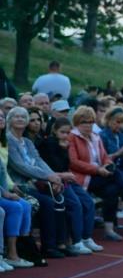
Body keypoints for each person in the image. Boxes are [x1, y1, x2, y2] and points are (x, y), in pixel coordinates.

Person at [67, 107, 123, 242]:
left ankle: (109, 230)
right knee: (118, 174)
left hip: (99, 175)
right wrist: (98, 169)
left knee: (112, 189)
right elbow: (74, 162)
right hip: (82, 178)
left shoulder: (95, 137)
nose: (88, 125)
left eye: (91, 122)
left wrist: (108, 165)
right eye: (84, 122)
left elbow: (104, 157)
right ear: (77, 122)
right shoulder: (72, 137)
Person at [6, 107, 71, 257]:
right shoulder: (8, 140)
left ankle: (59, 243)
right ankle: (47, 247)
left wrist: (53, 176)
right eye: (16, 116)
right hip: (18, 185)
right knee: (47, 203)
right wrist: (48, 177)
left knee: (60, 198)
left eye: (23, 116)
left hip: (33, 183)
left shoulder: (28, 142)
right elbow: (19, 166)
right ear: (9, 120)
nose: (20, 119)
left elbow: (39, 161)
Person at [38, 117, 101, 255]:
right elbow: (54, 166)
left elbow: (67, 165)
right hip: (56, 179)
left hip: (67, 179)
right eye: (62, 132)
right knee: (75, 204)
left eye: (68, 132)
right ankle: (76, 241)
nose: (65, 135)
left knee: (88, 202)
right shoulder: (49, 144)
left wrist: (65, 149)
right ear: (55, 131)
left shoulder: (65, 144)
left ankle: (86, 237)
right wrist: (63, 151)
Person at [0, 112, 45, 269]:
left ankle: (20, 251)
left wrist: (10, 188)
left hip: (7, 186)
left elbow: (2, 172)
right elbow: (18, 167)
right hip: (6, 189)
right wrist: (5, 192)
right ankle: (7, 253)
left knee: (25, 205)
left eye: (1, 116)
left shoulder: (4, 142)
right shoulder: (9, 140)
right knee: (12, 208)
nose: (0, 119)